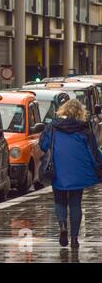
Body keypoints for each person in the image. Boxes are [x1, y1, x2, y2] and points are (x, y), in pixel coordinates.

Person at [40, 99, 102, 249]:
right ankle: (74, 239)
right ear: (80, 112)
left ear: (63, 110)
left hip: (58, 169)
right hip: (78, 171)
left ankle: (62, 227)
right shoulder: (84, 129)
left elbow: (43, 145)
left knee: (59, 200)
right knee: (75, 203)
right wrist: (99, 167)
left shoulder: (53, 127)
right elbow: (93, 152)